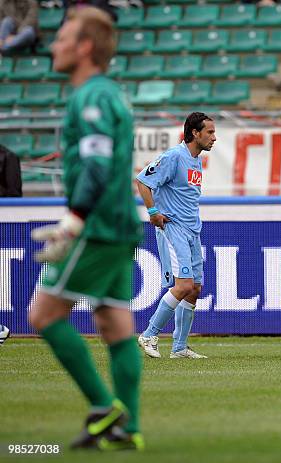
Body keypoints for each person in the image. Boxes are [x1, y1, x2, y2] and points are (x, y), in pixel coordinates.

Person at [28, 7, 143, 450]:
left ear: (85, 47)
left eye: (63, 37)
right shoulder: (109, 94)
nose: (53, 44)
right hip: (119, 222)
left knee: (43, 315)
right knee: (114, 321)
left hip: (97, 225)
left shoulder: (91, 96)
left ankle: (103, 406)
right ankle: (128, 429)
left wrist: (73, 220)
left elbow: (95, 164)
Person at [136, 112, 215, 359]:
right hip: (174, 229)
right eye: (210, 132)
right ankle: (149, 334)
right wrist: (153, 211)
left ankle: (179, 348)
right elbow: (142, 181)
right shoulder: (173, 156)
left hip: (192, 230)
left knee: (195, 288)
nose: (214, 137)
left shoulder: (195, 160)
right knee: (183, 285)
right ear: (195, 133)